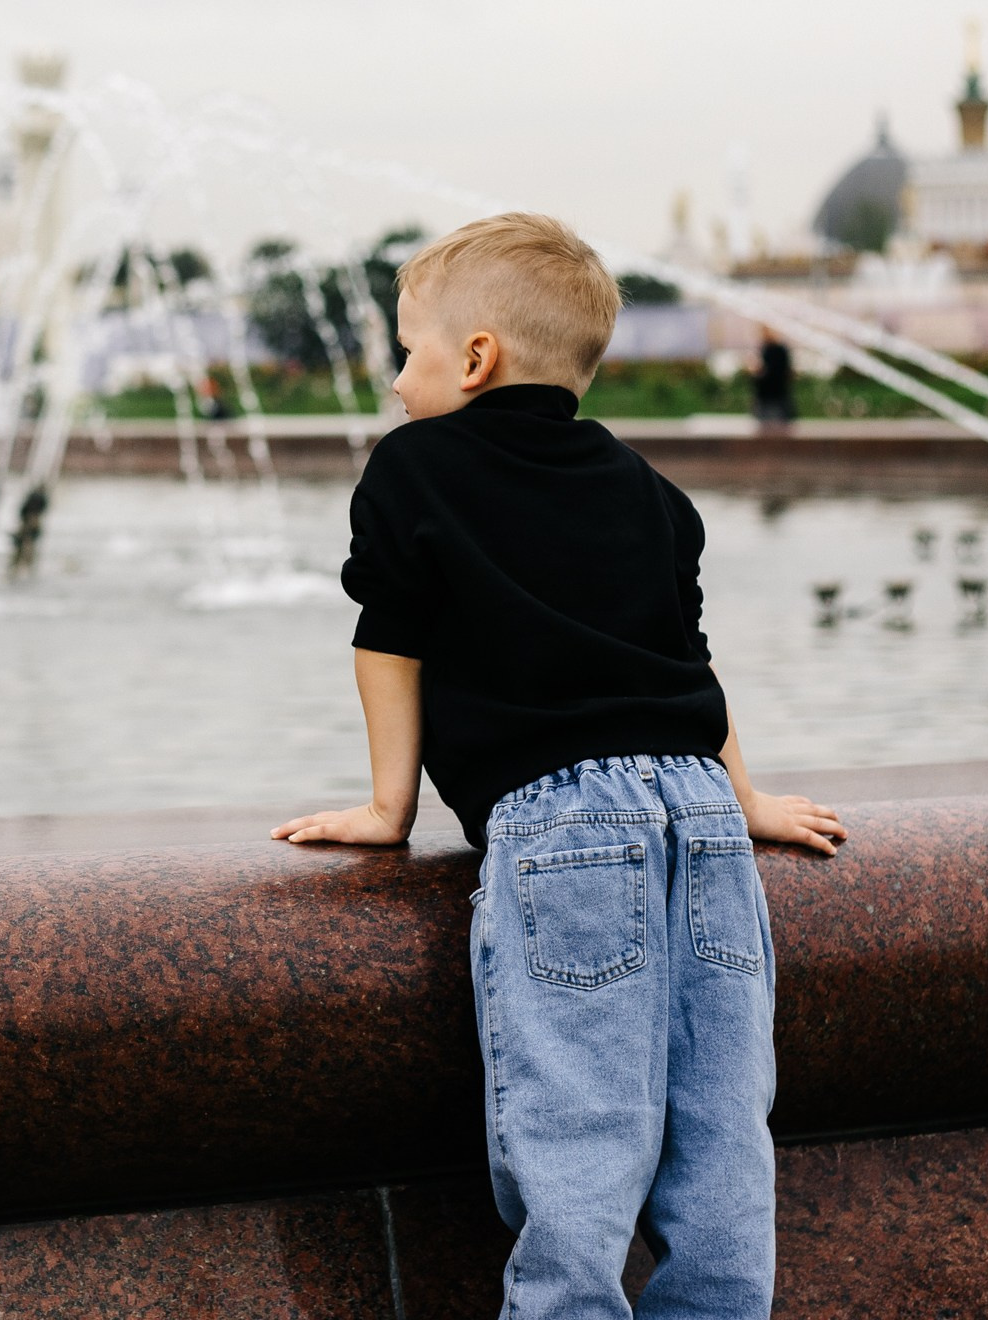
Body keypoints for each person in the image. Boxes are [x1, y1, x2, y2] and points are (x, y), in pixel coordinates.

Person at [271, 213, 845, 1319]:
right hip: (705, 826)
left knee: (578, 1147)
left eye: (407, 353)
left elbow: (389, 638)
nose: (396, 383)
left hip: (565, 830)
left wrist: (390, 809)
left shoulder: (414, 469)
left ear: (475, 357)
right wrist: (748, 798)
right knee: (723, 1139)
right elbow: (687, 661)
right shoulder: (646, 488)